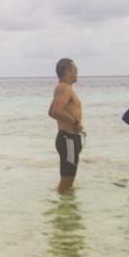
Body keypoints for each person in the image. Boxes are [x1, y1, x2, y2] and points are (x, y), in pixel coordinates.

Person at [47, 58, 84, 193]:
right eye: (75, 69)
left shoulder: (61, 88)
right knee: (67, 182)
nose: (77, 72)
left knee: (67, 180)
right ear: (68, 71)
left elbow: (51, 112)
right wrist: (75, 122)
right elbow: (56, 112)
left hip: (67, 138)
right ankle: (65, 210)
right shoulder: (64, 88)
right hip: (68, 138)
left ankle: (64, 209)